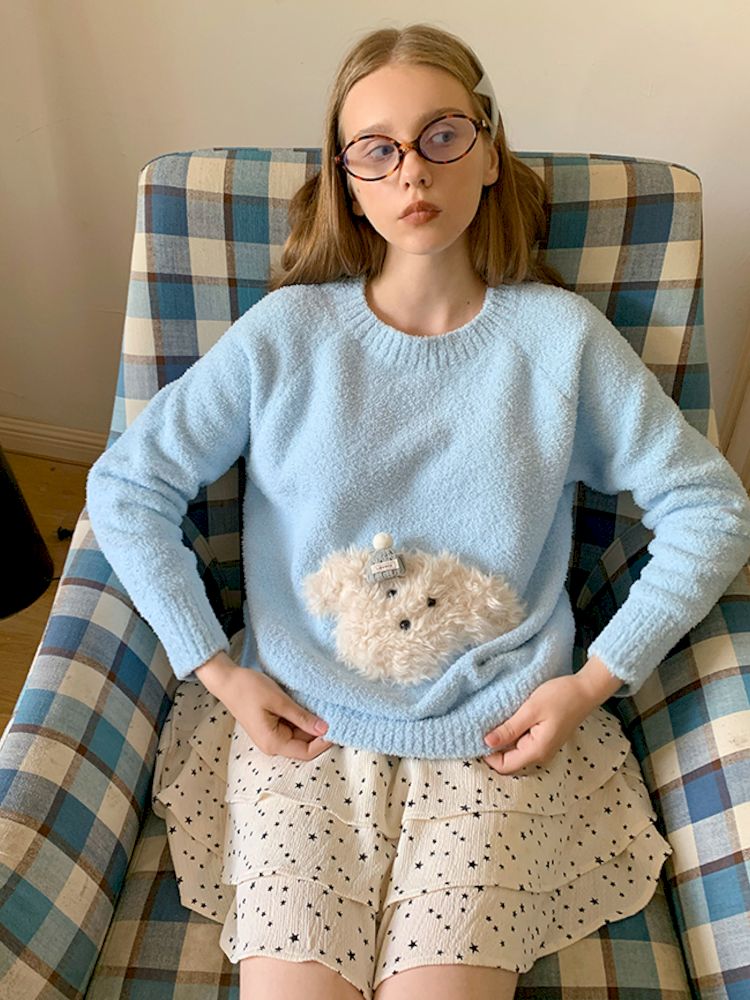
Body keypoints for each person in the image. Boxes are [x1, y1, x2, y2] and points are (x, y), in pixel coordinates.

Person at [85, 22, 750, 1000]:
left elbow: (711, 508)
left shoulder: (561, 342)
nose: (412, 172)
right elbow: (127, 485)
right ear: (346, 178)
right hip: (300, 736)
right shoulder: (286, 335)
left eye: (442, 135)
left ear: (490, 150)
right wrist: (217, 672)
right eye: (376, 149)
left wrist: (591, 683)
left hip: (498, 744)